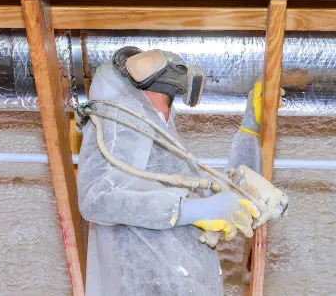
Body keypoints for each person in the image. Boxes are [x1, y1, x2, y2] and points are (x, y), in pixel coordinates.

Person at [77, 46, 267, 296]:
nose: (166, 111)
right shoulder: (121, 115)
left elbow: (225, 201)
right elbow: (97, 198)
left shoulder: (166, 144)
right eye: (161, 98)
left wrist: (250, 130)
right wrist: (189, 210)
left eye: (169, 102)